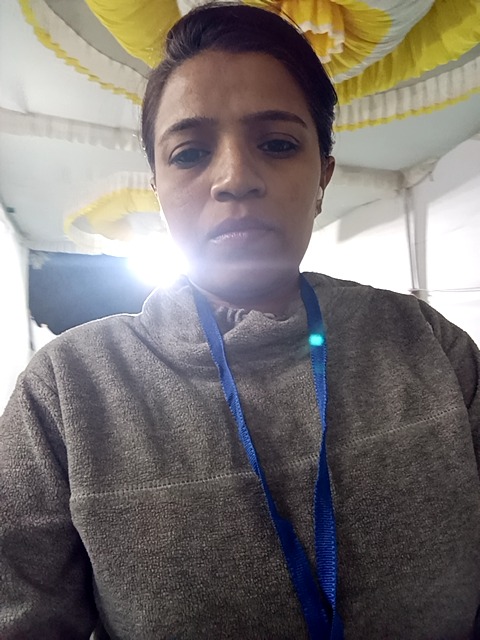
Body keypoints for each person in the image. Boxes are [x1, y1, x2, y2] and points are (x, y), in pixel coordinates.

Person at [1, 2, 479, 639]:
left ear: (323, 176)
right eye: (190, 153)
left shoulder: (427, 343)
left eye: (278, 144)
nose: (234, 178)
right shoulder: (68, 390)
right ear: (156, 187)